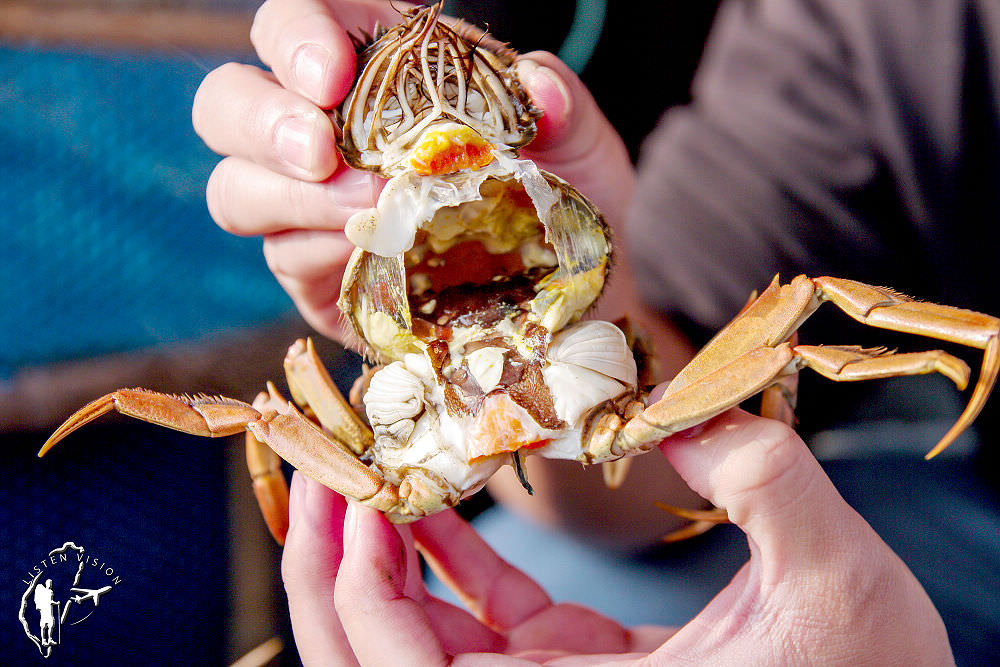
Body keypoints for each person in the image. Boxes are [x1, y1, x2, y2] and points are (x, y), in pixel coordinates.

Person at [192, 0, 999, 662]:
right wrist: (524, 278)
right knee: (513, 605)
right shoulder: (877, 27)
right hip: (948, 510)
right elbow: (682, 391)